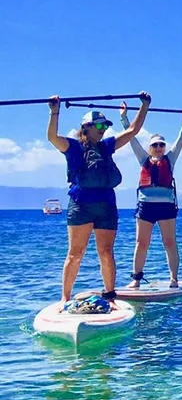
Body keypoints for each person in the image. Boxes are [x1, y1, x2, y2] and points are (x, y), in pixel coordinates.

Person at [45, 92, 151, 305]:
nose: (103, 131)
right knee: (76, 253)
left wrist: (145, 105)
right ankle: (65, 298)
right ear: (86, 127)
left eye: (105, 127)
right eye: (99, 126)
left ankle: (110, 296)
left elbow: (132, 131)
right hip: (80, 205)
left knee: (106, 252)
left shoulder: (107, 146)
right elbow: (52, 137)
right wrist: (54, 112)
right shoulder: (72, 147)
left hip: (106, 205)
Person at [122, 103, 182, 289]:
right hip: (146, 207)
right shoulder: (143, 159)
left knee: (169, 242)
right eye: (155, 145)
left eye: (162, 144)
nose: (159, 147)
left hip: (166, 207)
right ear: (150, 147)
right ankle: (136, 279)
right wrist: (124, 118)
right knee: (141, 243)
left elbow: (180, 141)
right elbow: (131, 139)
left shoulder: (170, 159)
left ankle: (174, 279)